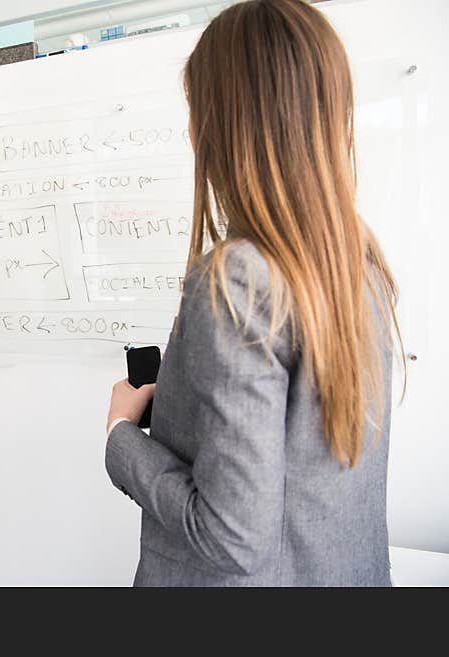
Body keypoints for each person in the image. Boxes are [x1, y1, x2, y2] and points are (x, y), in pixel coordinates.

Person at [105, 0, 403, 586]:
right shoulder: (358, 265)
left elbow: (232, 537)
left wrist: (120, 436)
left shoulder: (240, 276)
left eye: (195, 110)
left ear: (224, 123)